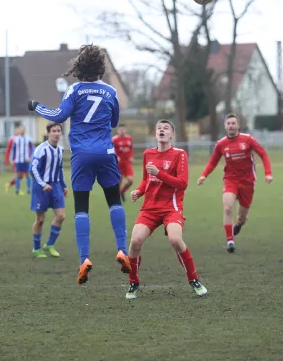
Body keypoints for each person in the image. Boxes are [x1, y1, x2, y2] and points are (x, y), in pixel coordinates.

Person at [27, 44, 130, 285]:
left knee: (82, 207)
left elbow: (57, 117)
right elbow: (115, 121)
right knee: (114, 201)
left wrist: (36, 106)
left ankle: (84, 259)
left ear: (79, 67)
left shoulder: (74, 90)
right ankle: (122, 250)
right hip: (106, 152)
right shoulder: (111, 92)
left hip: (82, 154)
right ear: (101, 67)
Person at [125, 119, 208, 300]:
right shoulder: (148, 154)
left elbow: (182, 183)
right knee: (135, 241)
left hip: (171, 207)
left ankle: (194, 279)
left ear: (172, 134)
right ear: (156, 133)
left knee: (175, 240)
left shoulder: (180, 154)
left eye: (166, 128)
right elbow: (146, 179)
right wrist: (139, 191)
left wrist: (159, 173)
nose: (162, 130)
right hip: (149, 208)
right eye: (159, 128)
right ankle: (133, 282)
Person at [197, 113, 273, 253]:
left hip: (248, 181)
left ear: (238, 125)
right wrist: (203, 175)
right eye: (228, 123)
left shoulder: (248, 139)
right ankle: (230, 241)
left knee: (242, 218)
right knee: (227, 208)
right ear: (225, 126)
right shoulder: (221, 144)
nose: (231, 126)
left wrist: (268, 173)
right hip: (230, 180)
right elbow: (213, 161)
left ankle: (238, 224)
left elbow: (263, 154)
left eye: (233, 123)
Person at [30, 123, 68, 258]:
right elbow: (33, 169)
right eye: (54, 131)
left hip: (56, 186)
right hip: (41, 188)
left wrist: (64, 185)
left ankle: (49, 244)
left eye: (59, 131)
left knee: (61, 216)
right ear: (48, 133)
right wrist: (42, 184)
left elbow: (60, 168)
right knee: (40, 219)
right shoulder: (41, 149)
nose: (57, 133)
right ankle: (36, 248)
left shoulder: (60, 150)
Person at [10, 124, 34, 196]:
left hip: (26, 160)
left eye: (23, 129)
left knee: (28, 174)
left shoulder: (28, 139)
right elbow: (13, 150)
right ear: (19, 130)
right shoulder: (16, 140)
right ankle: (17, 190)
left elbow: (32, 149)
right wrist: (12, 159)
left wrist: (31, 157)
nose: (22, 130)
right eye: (21, 129)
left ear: (25, 130)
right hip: (18, 160)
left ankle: (29, 189)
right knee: (18, 175)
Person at [112, 124, 134, 202]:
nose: (122, 131)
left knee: (130, 180)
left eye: (123, 129)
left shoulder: (129, 138)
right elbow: (111, 149)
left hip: (126, 162)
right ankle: (116, 198)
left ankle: (122, 192)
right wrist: (115, 156)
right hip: (118, 164)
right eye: (120, 129)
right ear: (118, 130)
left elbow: (131, 148)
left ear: (125, 129)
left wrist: (131, 156)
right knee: (118, 182)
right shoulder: (114, 139)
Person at [4, 126, 20, 193]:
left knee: (20, 176)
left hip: (21, 160)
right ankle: (18, 190)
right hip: (14, 160)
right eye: (17, 131)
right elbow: (8, 150)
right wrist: (7, 160)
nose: (18, 132)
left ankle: (8, 185)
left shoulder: (21, 138)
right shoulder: (12, 139)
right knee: (18, 175)